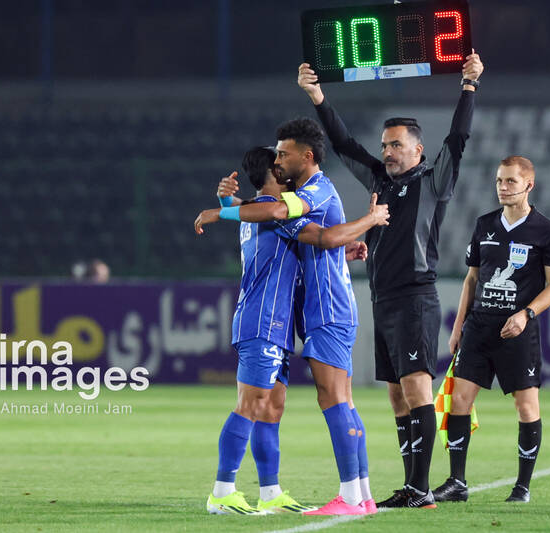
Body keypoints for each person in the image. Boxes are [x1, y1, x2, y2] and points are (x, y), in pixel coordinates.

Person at [296, 51, 484, 508]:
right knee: (398, 397)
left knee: (417, 390)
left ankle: (420, 489)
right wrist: (318, 97)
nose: (387, 152)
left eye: (396, 145)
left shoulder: (434, 181)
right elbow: (344, 144)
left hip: (415, 298)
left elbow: (457, 139)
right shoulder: (380, 180)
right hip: (383, 301)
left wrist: (468, 87)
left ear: (418, 150)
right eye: (384, 145)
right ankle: (412, 486)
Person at [196, 118, 382, 515]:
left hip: (278, 323)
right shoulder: (270, 212)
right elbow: (320, 236)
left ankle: (270, 492)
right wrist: (366, 223)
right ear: (272, 176)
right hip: (263, 321)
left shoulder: (259, 211)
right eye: (277, 161)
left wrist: (228, 204)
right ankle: (222, 490)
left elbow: (312, 241)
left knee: (271, 408)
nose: (283, 165)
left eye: (285, 155)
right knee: (252, 404)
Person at [432, 156, 550, 503]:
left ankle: (522, 487)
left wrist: (526, 314)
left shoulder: (545, 230)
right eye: (499, 181)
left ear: (528, 185)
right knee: (459, 400)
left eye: (510, 181)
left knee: (526, 407)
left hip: (517, 331)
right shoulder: (484, 224)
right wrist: (458, 326)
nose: (503, 188)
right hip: (479, 327)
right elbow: (472, 279)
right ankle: (456, 482)